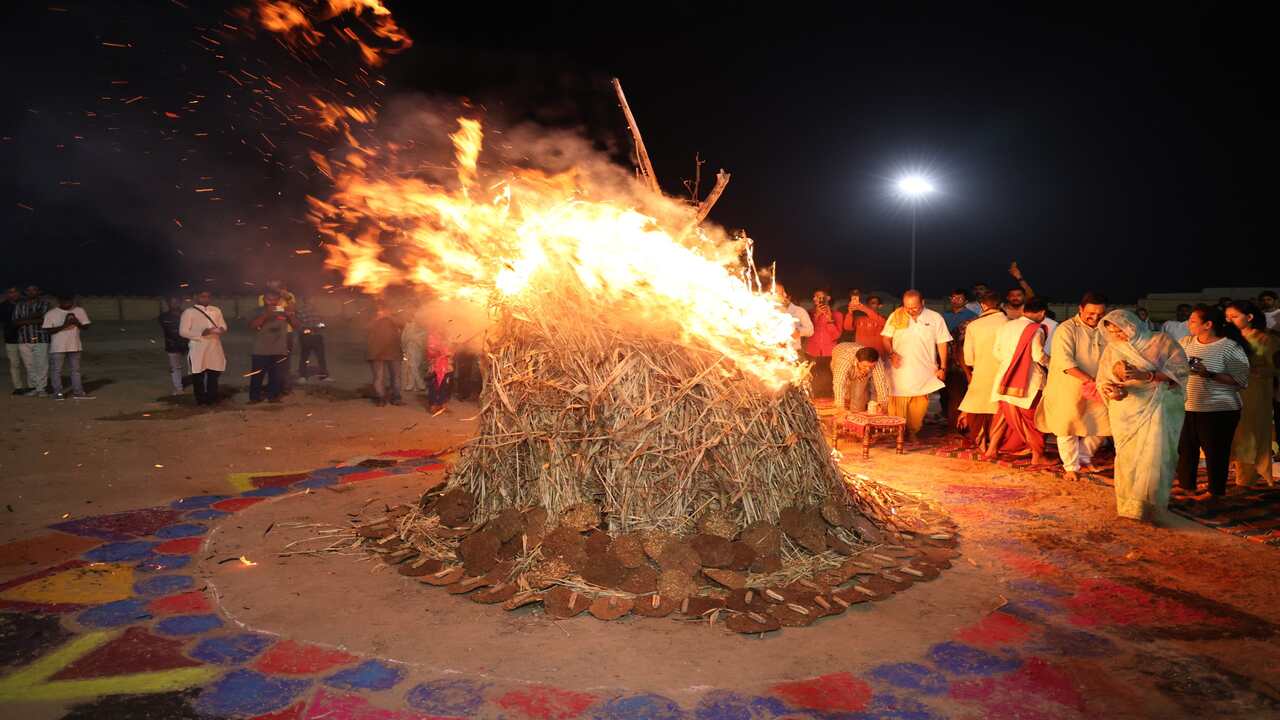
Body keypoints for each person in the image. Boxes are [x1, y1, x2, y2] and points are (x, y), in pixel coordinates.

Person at [1097, 309, 1189, 523]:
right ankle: (1129, 505)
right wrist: (1112, 390)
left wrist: (1147, 375)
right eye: (1112, 332)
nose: (1118, 336)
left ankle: (1152, 506)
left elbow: (1181, 372)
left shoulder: (1161, 341)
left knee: (1154, 456)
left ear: (1132, 324)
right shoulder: (1113, 348)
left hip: (1159, 405)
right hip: (1126, 409)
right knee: (1128, 457)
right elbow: (1103, 379)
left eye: (1120, 330)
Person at [1175, 305, 1250, 500]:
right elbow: (1171, 366)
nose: (1188, 324)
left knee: (1216, 452)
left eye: (1193, 321)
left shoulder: (1230, 347)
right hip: (1188, 406)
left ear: (1208, 325)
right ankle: (1187, 487)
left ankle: (1215, 492)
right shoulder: (1185, 343)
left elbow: (1241, 381)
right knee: (1186, 449)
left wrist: (1208, 374)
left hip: (1219, 409)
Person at [1036, 292, 1111, 481]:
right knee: (1066, 426)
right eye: (1091, 314)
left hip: (1097, 386)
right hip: (1067, 387)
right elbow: (1065, 362)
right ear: (1080, 309)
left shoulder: (1107, 329)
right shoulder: (1066, 329)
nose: (1095, 318)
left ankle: (1084, 457)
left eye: (1100, 314)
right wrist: (1090, 380)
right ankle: (1071, 466)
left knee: (1105, 424)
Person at [985, 297, 1050, 465]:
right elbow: (1038, 356)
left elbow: (996, 353)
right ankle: (1038, 456)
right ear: (1042, 313)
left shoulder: (1006, 326)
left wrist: (1011, 364)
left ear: (1023, 310)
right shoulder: (1036, 329)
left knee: (1002, 416)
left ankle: (991, 450)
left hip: (1005, 378)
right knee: (1033, 419)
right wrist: (1054, 364)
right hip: (1028, 381)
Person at [881, 290, 952, 441]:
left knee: (919, 405)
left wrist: (943, 367)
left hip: (924, 369)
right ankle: (897, 432)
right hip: (899, 368)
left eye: (915, 307)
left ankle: (913, 431)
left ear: (923, 303)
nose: (911, 311)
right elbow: (886, 339)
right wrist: (892, 354)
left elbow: (942, 342)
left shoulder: (935, 317)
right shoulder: (896, 315)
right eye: (907, 307)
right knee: (897, 402)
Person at [1226, 301, 1278, 487]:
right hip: (1230, 391)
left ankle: (1248, 478)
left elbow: (1274, 367)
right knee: (1237, 433)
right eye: (1227, 317)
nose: (1229, 320)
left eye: (1234, 316)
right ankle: (1240, 475)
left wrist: (1256, 371)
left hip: (1255, 392)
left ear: (1249, 317)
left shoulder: (1265, 339)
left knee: (1251, 433)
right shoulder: (1228, 339)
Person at [957, 291, 1008, 449]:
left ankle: (982, 443)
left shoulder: (973, 325)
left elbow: (968, 359)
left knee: (977, 407)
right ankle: (997, 444)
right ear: (1000, 305)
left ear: (983, 305)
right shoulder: (1009, 323)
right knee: (999, 410)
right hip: (1005, 373)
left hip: (980, 373)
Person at [180, 290, 228, 406]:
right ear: (196, 297)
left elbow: (224, 325)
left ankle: (212, 398)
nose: (206, 298)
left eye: (208, 296)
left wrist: (221, 329)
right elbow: (183, 332)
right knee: (198, 375)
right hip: (198, 347)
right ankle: (201, 400)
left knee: (214, 373)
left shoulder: (216, 310)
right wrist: (202, 334)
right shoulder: (189, 312)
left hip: (214, 346)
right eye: (203, 296)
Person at [42, 294, 93, 400]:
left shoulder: (79, 310)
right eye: (65, 301)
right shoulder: (51, 313)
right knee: (56, 371)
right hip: (58, 347)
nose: (68, 303)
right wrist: (65, 324)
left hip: (75, 345)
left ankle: (78, 393)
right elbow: (48, 330)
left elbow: (86, 327)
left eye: (70, 301)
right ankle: (58, 393)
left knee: (75, 370)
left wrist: (77, 322)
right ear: (59, 301)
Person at [248, 289, 293, 404]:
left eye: (274, 300)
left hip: (279, 350)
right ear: (264, 300)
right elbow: (252, 326)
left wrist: (290, 315)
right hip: (260, 350)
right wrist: (266, 315)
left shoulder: (282, 311)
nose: (271, 302)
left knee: (276, 376)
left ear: (278, 301)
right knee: (257, 376)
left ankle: (273, 397)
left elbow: (297, 325)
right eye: (269, 300)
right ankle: (254, 398)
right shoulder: (257, 311)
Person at [12, 285, 52, 396]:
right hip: (24, 339)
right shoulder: (20, 305)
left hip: (40, 338)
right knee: (29, 365)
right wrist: (34, 317)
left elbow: (44, 320)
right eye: (28, 290)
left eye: (34, 290)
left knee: (42, 364)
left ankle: (41, 388)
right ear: (25, 292)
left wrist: (24, 319)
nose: (31, 292)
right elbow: (15, 322)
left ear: (38, 291)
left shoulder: (44, 304)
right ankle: (35, 386)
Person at [831, 342, 891, 414]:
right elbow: (839, 383)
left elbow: (881, 383)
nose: (868, 369)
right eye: (865, 366)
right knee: (845, 396)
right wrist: (840, 408)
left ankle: (857, 419)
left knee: (858, 399)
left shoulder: (877, 361)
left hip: (856, 365)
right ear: (857, 361)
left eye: (871, 367)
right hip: (839, 358)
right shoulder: (843, 360)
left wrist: (883, 406)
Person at [805, 289, 843, 399]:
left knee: (828, 379)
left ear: (828, 298)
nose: (818, 299)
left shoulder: (837, 315)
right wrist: (816, 316)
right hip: (812, 351)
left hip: (829, 353)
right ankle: (813, 405)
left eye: (821, 297)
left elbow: (836, 336)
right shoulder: (809, 314)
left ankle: (828, 406)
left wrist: (829, 319)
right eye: (816, 297)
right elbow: (808, 333)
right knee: (812, 379)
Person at [367, 301, 405, 406]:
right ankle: (380, 398)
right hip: (376, 352)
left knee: (396, 376)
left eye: (384, 309)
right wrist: (377, 319)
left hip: (393, 351)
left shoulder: (393, 318)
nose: (381, 311)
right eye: (379, 309)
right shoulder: (372, 318)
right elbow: (366, 328)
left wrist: (389, 317)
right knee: (379, 377)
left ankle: (396, 398)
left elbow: (402, 324)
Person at [294, 298, 331, 382]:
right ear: (306, 300)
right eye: (311, 300)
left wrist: (321, 326)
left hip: (317, 336)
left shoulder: (317, 310)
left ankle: (323, 376)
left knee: (321, 357)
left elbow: (322, 321)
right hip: (306, 337)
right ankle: (302, 376)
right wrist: (305, 330)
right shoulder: (300, 311)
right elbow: (298, 324)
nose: (313, 301)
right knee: (305, 356)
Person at [158, 296, 188, 395]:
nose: (174, 304)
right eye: (172, 302)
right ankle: (178, 389)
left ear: (180, 303)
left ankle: (199, 386)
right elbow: (169, 331)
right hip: (172, 346)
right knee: (175, 368)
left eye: (176, 301)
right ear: (168, 303)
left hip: (188, 345)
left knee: (195, 367)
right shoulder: (163, 317)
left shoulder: (187, 314)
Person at [2, 287, 27, 394]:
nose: (13, 294)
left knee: (29, 364)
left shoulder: (25, 304)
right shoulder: (3, 306)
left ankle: (33, 386)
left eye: (16, 292)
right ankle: (18, 387)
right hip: (11, 338)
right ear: (7, 294)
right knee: (14, 364)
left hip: (26, 338)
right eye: (10, 292)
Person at [776, 284, 813, 354]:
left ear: (787, 296)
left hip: (793, 353)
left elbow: (810, 330)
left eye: (777, 293)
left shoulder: (799, 311)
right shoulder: (769, 311)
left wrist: (799, 332)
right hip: (773, 353)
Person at [425, 328, 455, 415]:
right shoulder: (432, 336)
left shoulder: (447, 335)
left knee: (445, 386)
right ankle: (433, 405)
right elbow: (431, 351)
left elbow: (451, 348)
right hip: (436, 366)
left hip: (446, 366)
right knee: (435, 386)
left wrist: (451, 351)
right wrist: (443, 352)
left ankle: (441, 405)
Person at [401, 313, 428, 393]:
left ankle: (412, 384)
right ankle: (419, 385)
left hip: (418, 349)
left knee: (415, 366)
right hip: (410, 349)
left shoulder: (421, 329)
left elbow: (423, 339)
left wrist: (414, 339)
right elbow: (404, 338)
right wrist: (404, 347)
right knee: (412, 366)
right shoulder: (408, 326)